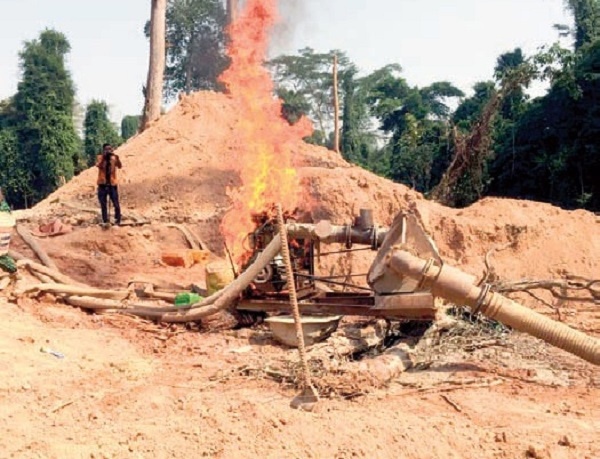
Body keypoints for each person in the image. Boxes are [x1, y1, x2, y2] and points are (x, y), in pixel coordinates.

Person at [96, 143, 122, 226]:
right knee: (103, 203)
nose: (108, 151)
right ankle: (105, 220)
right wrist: (104, 157)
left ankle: (117, 220)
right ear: (103, 150)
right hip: (102, 184)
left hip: (112, 183)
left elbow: (120, 166)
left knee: (116, 203)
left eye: (110, 149)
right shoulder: (100, 157)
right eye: (106, 149)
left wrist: (116, 158)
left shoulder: (114, 158)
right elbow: (99, 165)